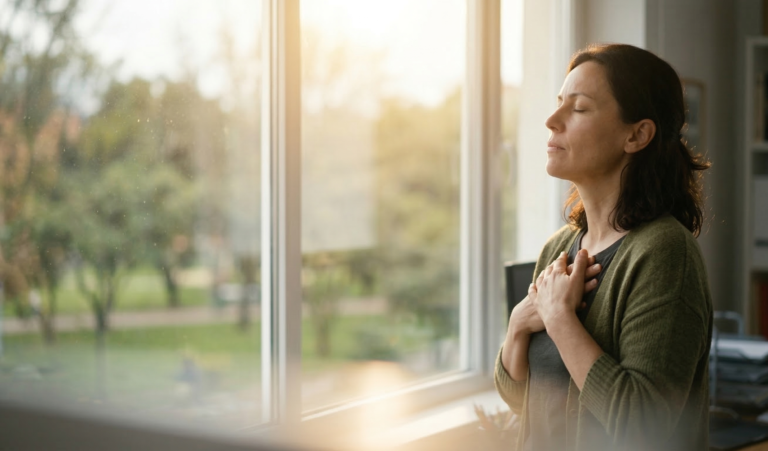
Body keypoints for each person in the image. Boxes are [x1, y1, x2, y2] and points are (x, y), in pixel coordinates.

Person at [494, 43, 713, 451]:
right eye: (559, 103)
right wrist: (518, 325)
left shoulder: (664, 253)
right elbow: (520, 397)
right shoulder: (558, 248)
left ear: (636, 134)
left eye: (577, 108)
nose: (551, 120)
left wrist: (558, 317)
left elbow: (644, 423)